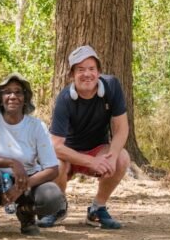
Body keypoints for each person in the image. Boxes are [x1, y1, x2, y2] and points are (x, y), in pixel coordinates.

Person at [0, 73, 66, 237]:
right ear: (0, 98)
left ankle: (26, 214)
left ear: (25, 98)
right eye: (7, 92)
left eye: (18, 92)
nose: (12, 96)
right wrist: (13, 163)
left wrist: (22, 186)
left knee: (53, 197)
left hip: (27, 180)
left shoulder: (36, 125)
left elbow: (52, 169)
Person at [46, 45, 130, 230]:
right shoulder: (64, 99)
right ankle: (58, 207)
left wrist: (112, 156)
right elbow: (55, 146)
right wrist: (89, 161)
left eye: (91, 69)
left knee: (123, 157)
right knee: (55, 161)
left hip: (98, 149)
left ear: (99, 72)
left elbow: (121, 128)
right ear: (71, 75)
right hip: (68, 155)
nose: (87, 74)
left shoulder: (112, 87)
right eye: (80, 70)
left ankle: (97, 208)